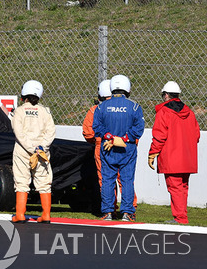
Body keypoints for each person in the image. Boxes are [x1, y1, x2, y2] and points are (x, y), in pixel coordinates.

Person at [92, 74, 145, 222]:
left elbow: (96, 127)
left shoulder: (101, 107)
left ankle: (108, 212)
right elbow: (139, 128)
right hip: (127, 147)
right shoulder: (134, 106)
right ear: (127, 88)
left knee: (108, 180)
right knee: (127, 180)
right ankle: (127, 213)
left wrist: (109, 136)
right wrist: (124, 138)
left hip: (108, 147)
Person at [148, 81, 200, 224]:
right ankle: (181, 216)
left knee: (175, 188)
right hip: (187, 158)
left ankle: (180, 218)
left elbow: (159, 135)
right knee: (183, 187)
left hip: (171, 158)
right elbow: (196, 136)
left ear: (165, 95)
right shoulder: (189, 112)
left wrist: (152, 153)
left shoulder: (164, 112)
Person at [82, 79, 136, 210]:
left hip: (103, 146)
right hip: (125, 145)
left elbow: (88, 133)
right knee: (126, 179)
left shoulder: (96, 109)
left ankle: (110, 209)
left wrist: (98, 140)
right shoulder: (128, 106)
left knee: (106, 179)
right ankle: (129, 208)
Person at [11, 80, 56, 223]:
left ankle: (20, 214)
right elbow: (51, 131)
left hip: (23, 150)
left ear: (23, 94)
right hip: (42, 151)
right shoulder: (45, 111)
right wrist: (41, 148)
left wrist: (31, 148)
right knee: (44, 182)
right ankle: (46, 214)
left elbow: (18, 133)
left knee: (21, 181)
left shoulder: (19, 111)